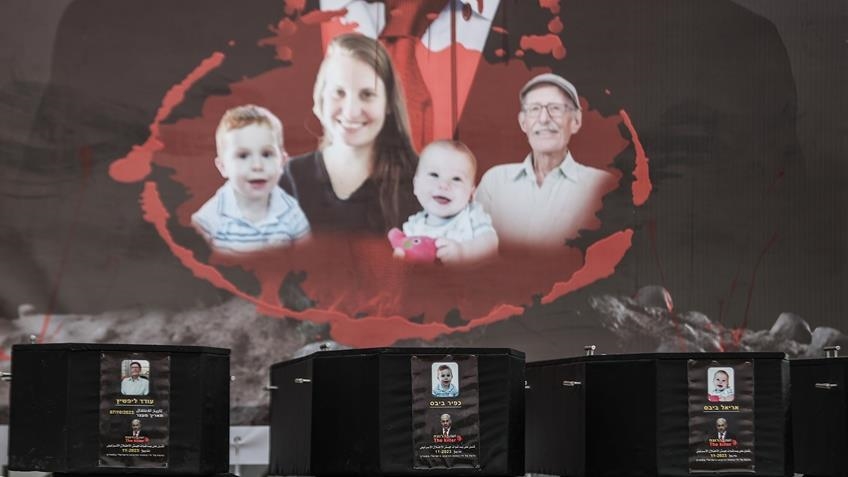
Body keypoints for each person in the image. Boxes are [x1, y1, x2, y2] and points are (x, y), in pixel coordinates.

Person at [281, 33, 419, 234]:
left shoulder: (425, 183)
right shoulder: (288, 178)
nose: (351, 111)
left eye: (367, 94)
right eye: (339, 92)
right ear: (321, 97)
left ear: (388, 103)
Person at [475, 73, 616, 254]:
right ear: (523, 123)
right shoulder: (494, 182)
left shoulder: (602, 186)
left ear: (576, 121)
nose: (543, 119)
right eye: (534, 109)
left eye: (555, 108)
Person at [192, 105, 310, 252]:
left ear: (282, 162)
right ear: (223, 167)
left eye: (266, 154)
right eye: (243, 156)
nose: (257, 165)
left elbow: (307, 256)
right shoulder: (209, 219)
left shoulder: (291, 213)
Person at [397, 140, 498, 264]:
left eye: (456, 179)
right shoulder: (414, 225)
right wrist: (400, 253)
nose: (444, 185)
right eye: (434, 175)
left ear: (471, 194)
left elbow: (490, 244)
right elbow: (405, 246)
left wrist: (463, 252)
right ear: (416, 185)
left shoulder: (472, 216)